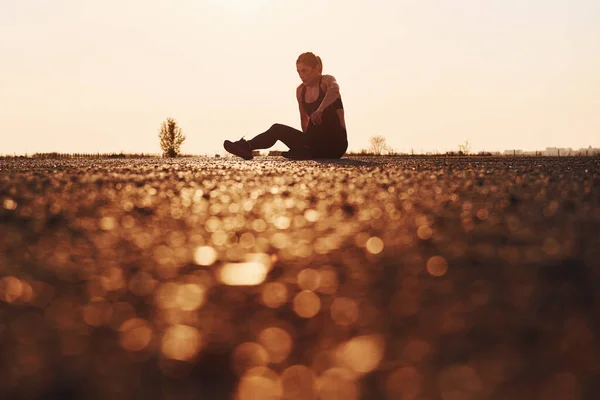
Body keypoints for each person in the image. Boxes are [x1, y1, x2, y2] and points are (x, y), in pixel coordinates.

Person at [223, 52, 348, 160]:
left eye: (304, 70)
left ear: (317, 68)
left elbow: (335, 91)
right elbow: (304, 120)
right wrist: (305, 143)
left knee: (323, 112)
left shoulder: (326, 81)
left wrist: (320, 110)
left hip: (335, 145)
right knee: (277, 128)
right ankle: (247, 147)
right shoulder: (300, 91)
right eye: (298, 71)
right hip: (317, 146)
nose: (301, 75)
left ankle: (306, 151)